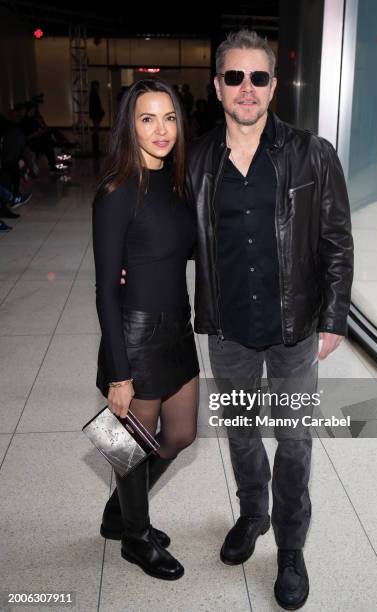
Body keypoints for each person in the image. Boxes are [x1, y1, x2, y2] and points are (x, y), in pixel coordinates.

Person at [187, 30, 354, 610]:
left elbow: (336, 239)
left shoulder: (312, 152)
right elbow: (178, 234)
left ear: (274, 85)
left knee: (294, 440)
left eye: (258, 77)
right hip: (228, 329)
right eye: (234, 77)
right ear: (218, 86)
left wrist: (334, 315)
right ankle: (252, 513)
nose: (247, 89)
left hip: (293, 329)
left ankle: (289, 546)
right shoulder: (200, 159)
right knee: (240, 432)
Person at [93, 78, 199, 581]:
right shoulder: (116, 192)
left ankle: (120, 511)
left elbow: (186, 249)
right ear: (129, 127)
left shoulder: (176, 183)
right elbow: (104, 290)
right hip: (136, 334)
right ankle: (135, 535)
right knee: (131, 445)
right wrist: (119, 372)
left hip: (178, 327)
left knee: (179, 434)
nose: (162, 130)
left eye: (170, 117)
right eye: (148, 118)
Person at [89, 80, 105, 157]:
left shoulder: (94, 94)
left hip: (96, 115)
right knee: (95, 131)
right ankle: (95, 148)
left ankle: (95, 148)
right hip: (96, 115)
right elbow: (95, 107)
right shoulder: (94, 95)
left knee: (96, 131)